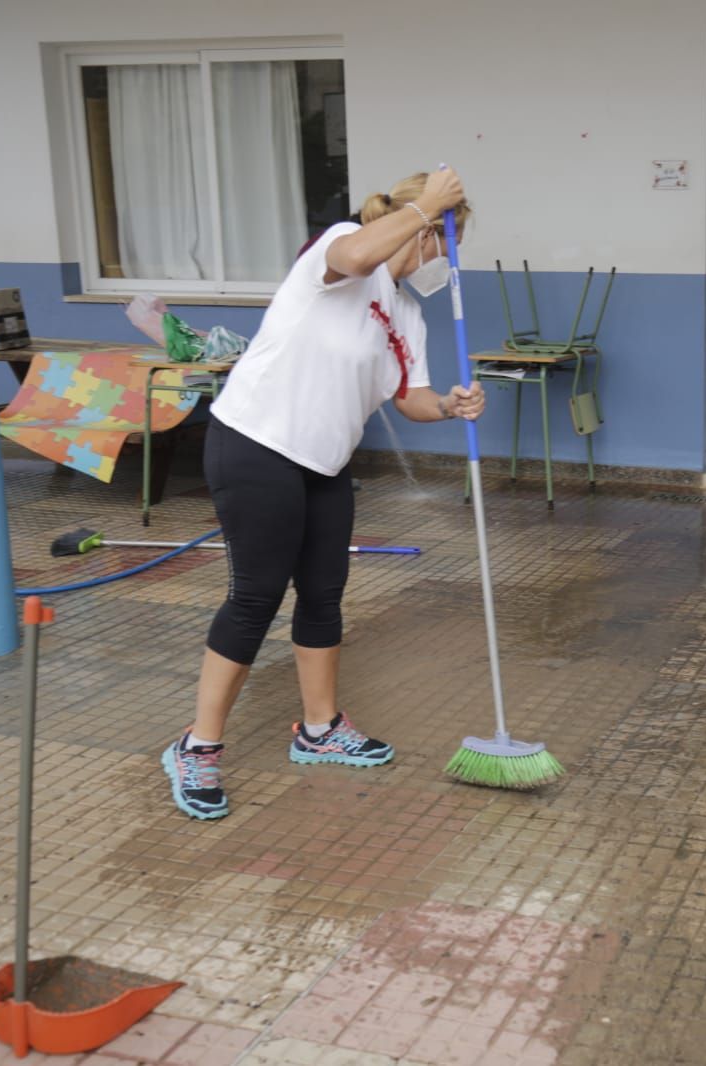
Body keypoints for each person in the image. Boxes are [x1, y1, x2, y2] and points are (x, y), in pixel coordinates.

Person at [162, 169, 484, 820]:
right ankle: (197, 747)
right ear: (423, 232)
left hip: (324, 462)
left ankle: (319, 728)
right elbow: (360, 253)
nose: (448, 258)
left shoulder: (409, 316)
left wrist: (449, 405)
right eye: (447, 240)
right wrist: (428, 206)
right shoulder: (343, 248)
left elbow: (410, 396)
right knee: (255, 597)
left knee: (323, 590)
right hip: (256, 441)